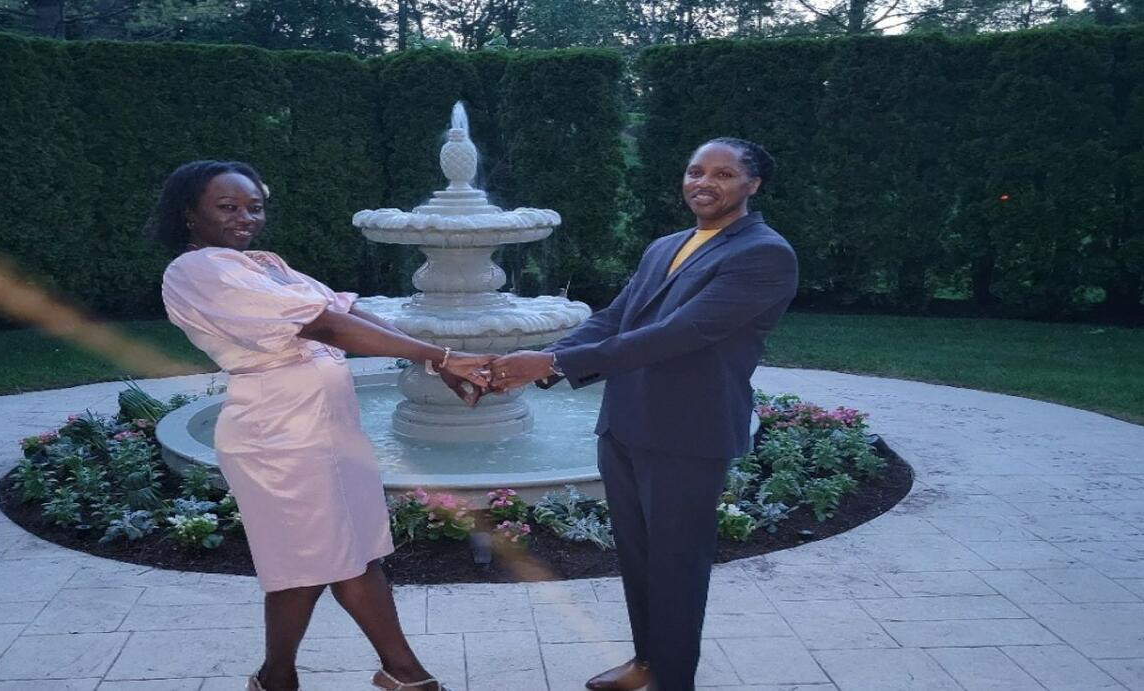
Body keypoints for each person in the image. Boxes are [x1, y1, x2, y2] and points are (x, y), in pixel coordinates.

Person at [152, 160, 490, 691]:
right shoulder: (195, 271)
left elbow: (343, 310)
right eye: (228, 207)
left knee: (356, 553)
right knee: (308, 565)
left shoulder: (262, 265)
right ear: (189, 213)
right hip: (278, 436)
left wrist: (434, 360)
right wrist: (441, 357)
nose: (245, 217)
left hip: (327, 432)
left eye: (254, 207)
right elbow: (325, 325)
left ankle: (345, 676)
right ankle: (369, 676)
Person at [489, 138, 798, 691]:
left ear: (753, 184)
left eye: (723, 174)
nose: (704, 183)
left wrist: (553, 363)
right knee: (638, 557)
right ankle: (646, 663)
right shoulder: (667, 246)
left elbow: (678, 335)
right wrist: (543, 359)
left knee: (677, 563)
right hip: (626, 422)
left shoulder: (763, 254)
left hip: (688, 433)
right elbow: (615, 319)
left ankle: (673, 680)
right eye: (696, 171)